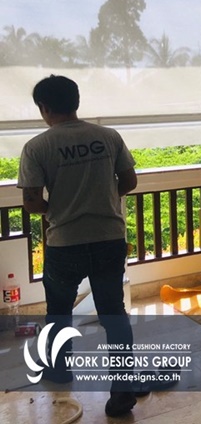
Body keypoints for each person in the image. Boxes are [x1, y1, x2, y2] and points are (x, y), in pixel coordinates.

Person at [17, 75, 140, 418]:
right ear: (76, 101)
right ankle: (123, 391)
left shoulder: (37, 147)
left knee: (59, 311)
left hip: (65, 243)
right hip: (108, 238)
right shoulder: (108, 137)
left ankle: (59, 370)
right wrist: (101, 199)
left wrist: (58, 208)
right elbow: (129, 181)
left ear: (44, 107)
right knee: (114, 315)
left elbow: (31, 202)